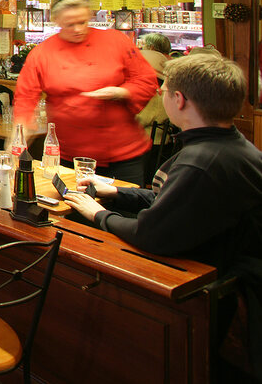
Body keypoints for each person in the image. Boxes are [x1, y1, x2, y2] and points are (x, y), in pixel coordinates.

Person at [63, 54, 262, 376]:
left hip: (209, 295)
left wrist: (99, 214)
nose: (160, 93)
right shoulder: (229, 146)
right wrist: (117, 192)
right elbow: (174, 199)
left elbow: (150, 234)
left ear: (179, 100)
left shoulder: (202, 161)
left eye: (164, 88)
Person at [14, 0, 157, 186]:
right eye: (69, 25)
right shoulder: (42, 54)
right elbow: (25, 97)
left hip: (124, 153)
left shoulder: (116, 41)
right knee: (75, 212)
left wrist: (121, 92)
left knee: (126, 210)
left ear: (90, 16)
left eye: (82, 22)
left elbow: (146, 79)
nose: (78, 29)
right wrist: (19, 134)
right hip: (71, 155)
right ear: (57, 21)